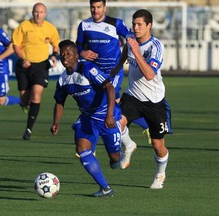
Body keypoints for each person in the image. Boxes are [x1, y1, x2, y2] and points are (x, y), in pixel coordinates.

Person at [50, 40, 123, 197]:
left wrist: (109, 114)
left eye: (68, 54)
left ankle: (118, 155)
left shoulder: (87, 68)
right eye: (62, 54)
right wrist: (55, 122)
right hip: (87, 117)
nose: (64, 57)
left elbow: (109, 87)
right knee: (82, 149)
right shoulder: (63, 79)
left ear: (76, 55)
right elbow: (59, 102)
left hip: (105, 115)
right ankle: (105, 188)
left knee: (115, 158)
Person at [76, 0, 150, 152]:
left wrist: (135, 55)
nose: (95, 10)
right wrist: (82, 52)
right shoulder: (84, 25)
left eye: (98, 7)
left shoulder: (115, 23)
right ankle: (143, 126)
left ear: (104, 8)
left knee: (106, 105)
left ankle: (93, 146)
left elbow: (131, 38)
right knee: (111, 106)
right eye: (93, 7)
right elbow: (77, 46)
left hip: (113, 72)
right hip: (94, 73)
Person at [112, 9, 172, 189]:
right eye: (134, 24)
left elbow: (149, 75)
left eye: (139, 25)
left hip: (155, 101)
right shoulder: (130, 39)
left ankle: (160, 174)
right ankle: (129, 145)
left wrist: (137, 52)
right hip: (133, 96)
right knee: (116, 122)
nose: (135, 28)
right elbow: (125, 53)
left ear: (149, 26)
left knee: (157, 144)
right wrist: (113, 72)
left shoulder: (156, 46)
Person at [12, 2, 60, 140]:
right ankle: (24, 103)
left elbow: (56, 44)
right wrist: (23, 59)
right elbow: (16, 45)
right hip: (24, 65)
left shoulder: (50, 28)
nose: (38, 14)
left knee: (36, 96)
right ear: (32, 12)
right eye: (36, 12)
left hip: (41, 66)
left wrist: (54, 55)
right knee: (24, 98)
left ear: (45, 14)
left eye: (41, 12)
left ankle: (28, 129)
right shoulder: (24, 26)